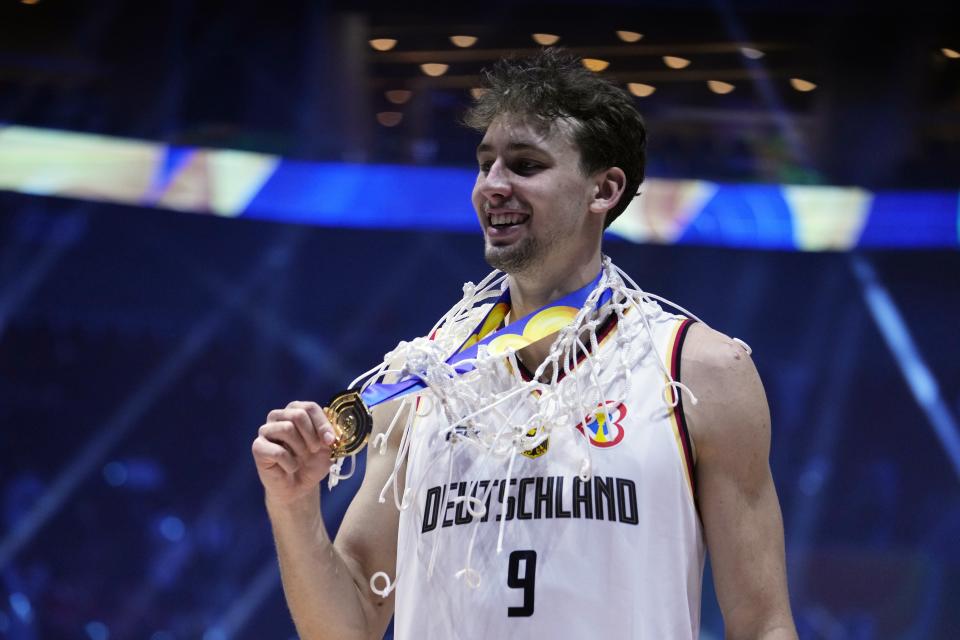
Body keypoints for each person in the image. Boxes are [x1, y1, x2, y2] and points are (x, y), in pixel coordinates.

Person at [252, 48, 796, 639]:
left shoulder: (701, 373)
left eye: (525, 165)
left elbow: (763, 623)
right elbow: (348, 625)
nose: (493, 186)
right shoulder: (420, 383)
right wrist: (294, 506)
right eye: (485, 164)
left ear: (604, 189)